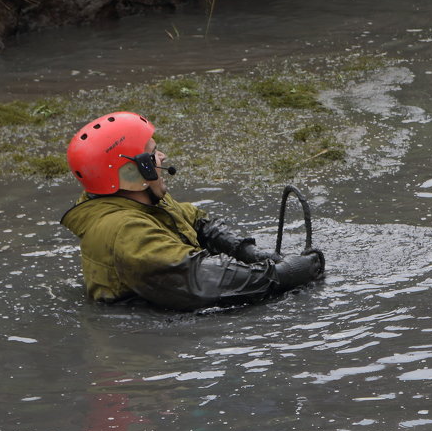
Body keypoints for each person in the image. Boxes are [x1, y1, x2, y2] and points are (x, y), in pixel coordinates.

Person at [60, 112, 325, 311]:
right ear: (134, 170)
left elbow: (195, 221)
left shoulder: (136, 200)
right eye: (152, 154)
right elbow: (201, 279)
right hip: (144, 336)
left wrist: (245, 251)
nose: (162, 156)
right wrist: (282, 275)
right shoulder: (125, 229)